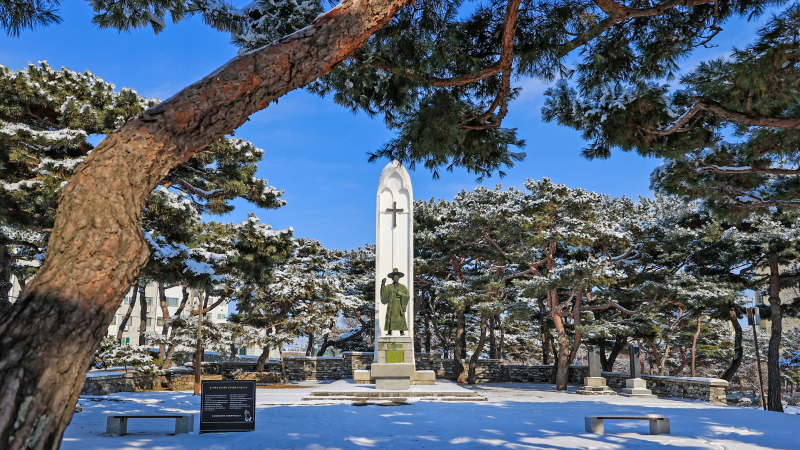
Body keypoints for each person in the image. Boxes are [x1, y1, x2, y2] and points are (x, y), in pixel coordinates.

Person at [380, 268, 409, 335]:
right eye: (394, 277)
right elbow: (384, 295)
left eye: (397, 277)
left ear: (399, 278)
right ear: (392, 278)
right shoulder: (388, 287)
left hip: (399, 306)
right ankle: (389, 332)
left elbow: (407, 296)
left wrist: (401, 294)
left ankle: (402, 332)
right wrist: (383, 285)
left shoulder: (403, 287)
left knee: (400, 317)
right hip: (391, 306)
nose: (396, 278)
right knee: (390, 317)